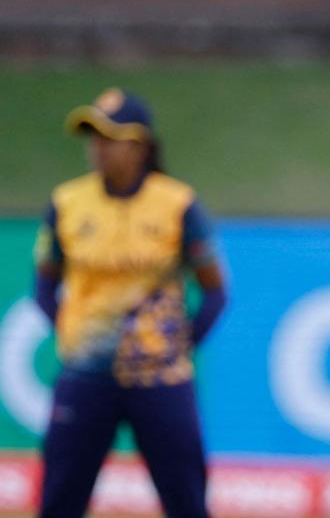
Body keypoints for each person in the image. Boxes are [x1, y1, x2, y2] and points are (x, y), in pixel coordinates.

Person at [33, 88, 228, 518]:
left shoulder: (177, 204)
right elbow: (44, 284)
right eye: (92, 137)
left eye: (109, 137)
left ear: (140, 144)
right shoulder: (67, 202)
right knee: (59, 501)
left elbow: (215, 290)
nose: (97, 148)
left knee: (187, 501)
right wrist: (71, 333)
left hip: (160, 378)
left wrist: (181, 345)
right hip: (85, 376)